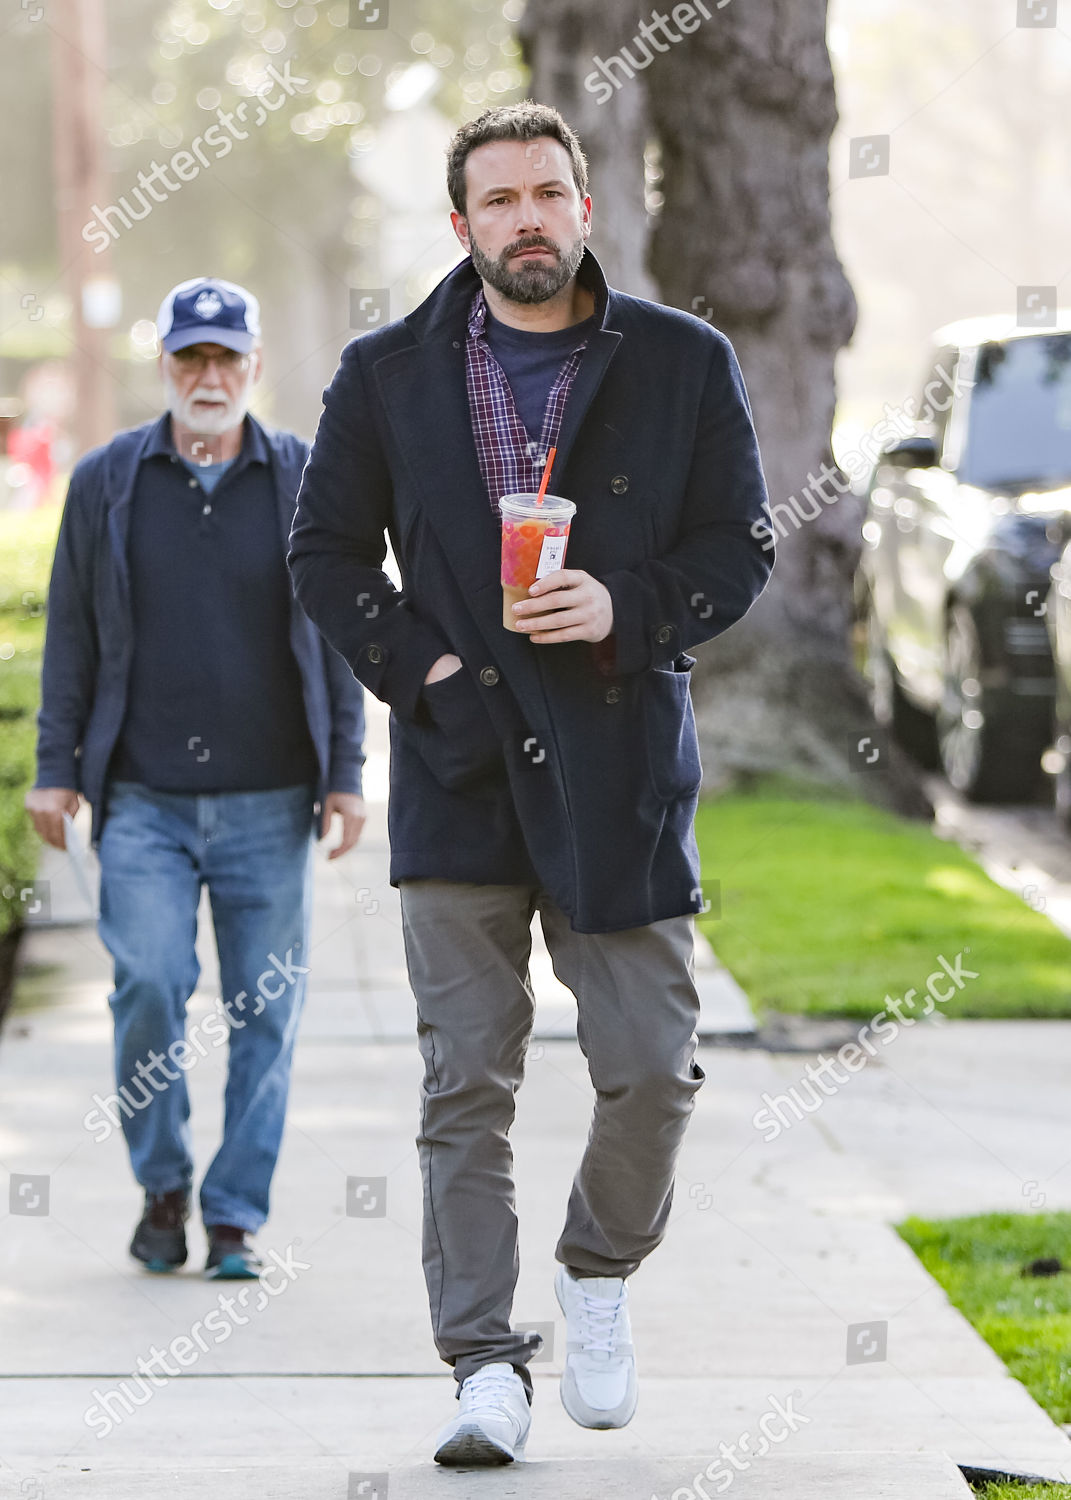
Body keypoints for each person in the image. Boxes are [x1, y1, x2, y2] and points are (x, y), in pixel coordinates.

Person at [289, 103, 773, 1463]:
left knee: (650, 1068)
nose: (525, 218)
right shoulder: (386, 373)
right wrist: (423, 674)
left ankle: (597, 1269)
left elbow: (737, 549)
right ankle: (481, 1367)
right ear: (462, 226)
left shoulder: (682, 362)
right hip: (456, 773)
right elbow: (322, 556)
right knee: (464, 1086)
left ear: (582, 206)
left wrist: (621, 606)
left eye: (546, 192)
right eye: (496, 199)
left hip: (618, 767)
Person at [26, 277, 367, 1280]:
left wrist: (345, 773)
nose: (209, 375)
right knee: (149, 989)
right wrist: (56, 770)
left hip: (272, 801)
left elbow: (343, 635)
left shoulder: (306, 476)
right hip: (143, 803)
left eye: (227, 357)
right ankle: (163, 1185)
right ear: (166, 367)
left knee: (266, 1011)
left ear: (255, 366)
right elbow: (72, 638)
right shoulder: (106, 482)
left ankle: (233, 1217)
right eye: (191, 358)